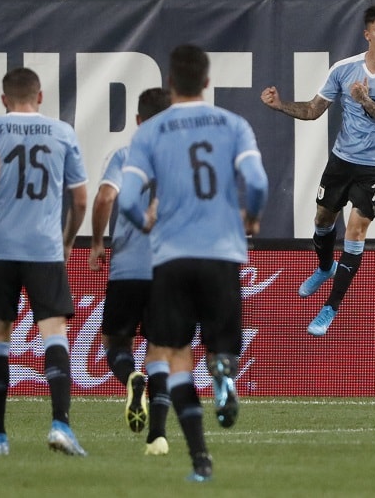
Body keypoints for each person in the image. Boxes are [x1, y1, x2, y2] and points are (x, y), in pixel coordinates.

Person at [119, 44, 269, 482]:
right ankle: (223, 372)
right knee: (220, 347)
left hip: (170, 258)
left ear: (170, 83)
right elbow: (256, 181)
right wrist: (253, 216)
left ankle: (200, 462)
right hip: (222, 253)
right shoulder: (234, 124)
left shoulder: (150, 133)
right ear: (207, 82)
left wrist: (143, 221)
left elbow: (128, 199)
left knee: (177, 357)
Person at [260, 3, 375, 337]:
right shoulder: (343, 69)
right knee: (322, 220)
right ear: (367, 35)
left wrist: (365, 101)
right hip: (341, 161)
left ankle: (330, 307)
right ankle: (324, 267)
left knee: (356, 231)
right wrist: (280, 105)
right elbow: (313, 111)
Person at [0, 67, 88, 457]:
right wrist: (66, 243)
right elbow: (81, 200)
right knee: (54, 332)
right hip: (44, 249)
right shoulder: (62, 132)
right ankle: (61, 425)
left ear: (3, 99)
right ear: (41, 96)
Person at [88, 87, 171, 456]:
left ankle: (129, 378)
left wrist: (95, 244)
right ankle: (157, 437)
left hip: (127, 269)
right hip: (168, 271)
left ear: (138, 120)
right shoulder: (183, 160)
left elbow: (105, 197)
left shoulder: (125, 155)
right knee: (161, 354)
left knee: (116, 345)